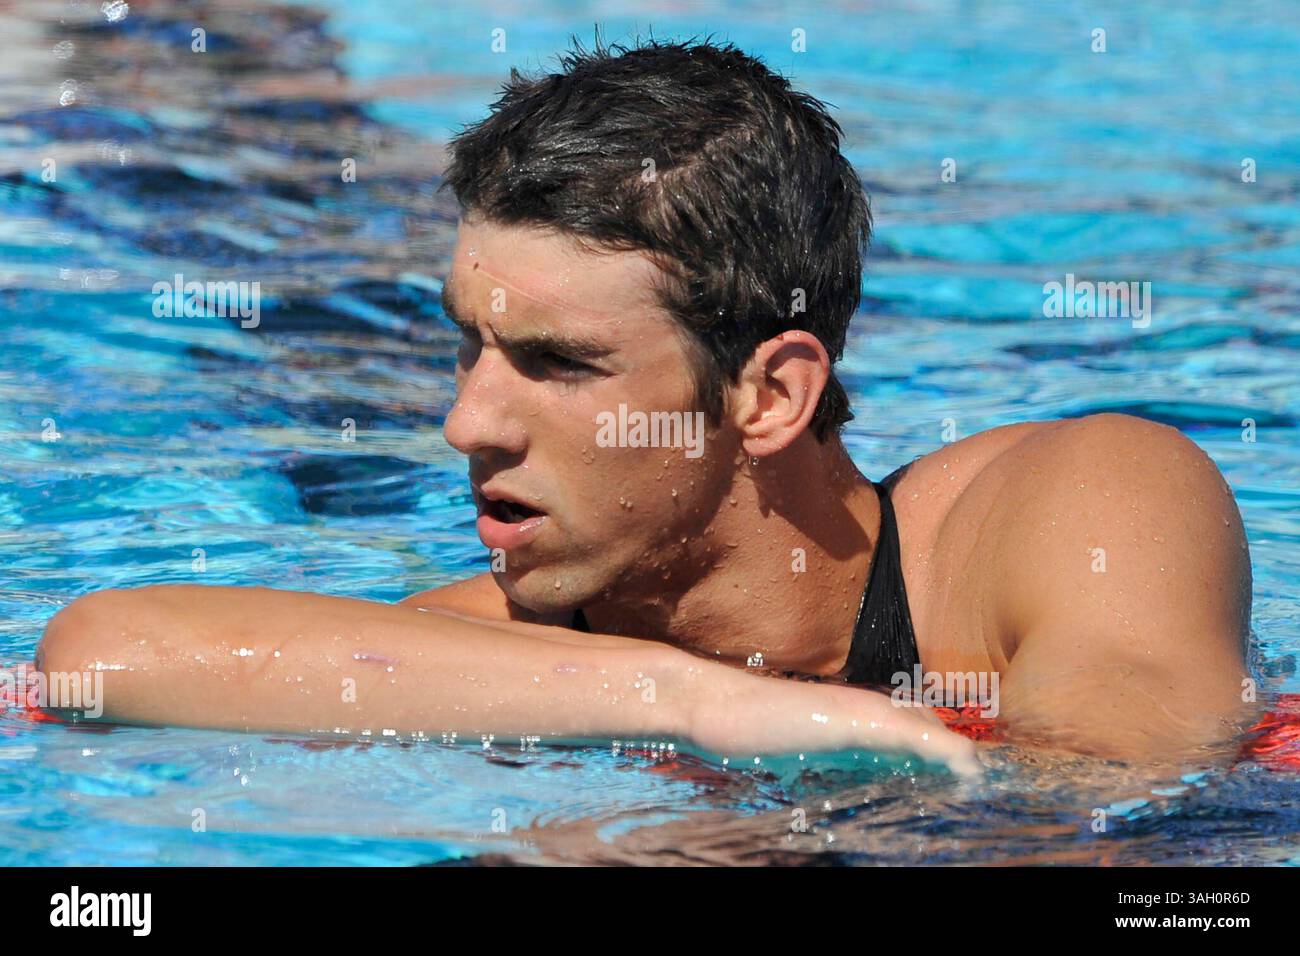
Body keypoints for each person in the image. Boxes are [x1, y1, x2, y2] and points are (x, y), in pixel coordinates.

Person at [35, 39, 1255, 777]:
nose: (466, 424)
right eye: (469, 347)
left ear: (769, 394)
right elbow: (107, 653)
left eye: (559, 363)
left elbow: (1110, 805)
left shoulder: (1076, 503)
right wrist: (690, 702)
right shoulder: (554, 631)